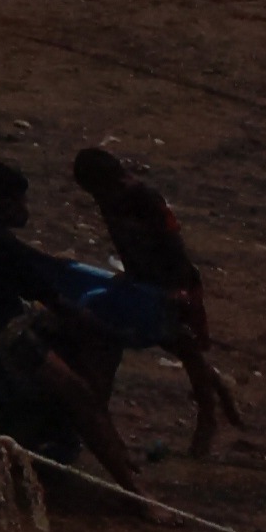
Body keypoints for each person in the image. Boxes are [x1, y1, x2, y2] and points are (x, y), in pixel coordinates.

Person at [0, 157, 142, 494]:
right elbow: (58, 303)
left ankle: (81, 426)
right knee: (79, 389)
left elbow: (21, 260)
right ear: (3, 203)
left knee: (94, 354)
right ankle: (135, 491)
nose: (24, 208)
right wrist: (114, 332)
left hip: (4, 315)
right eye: (20, 200)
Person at [73, 146, 244, 457]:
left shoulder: (145, 199)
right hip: (142, 279)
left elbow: (173, 245)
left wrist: (178, 289)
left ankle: (207, 419)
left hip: (174, 282)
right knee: (171, 342)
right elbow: (122, 240)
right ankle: (217, 385)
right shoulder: (107, 198)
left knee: (187, 348)